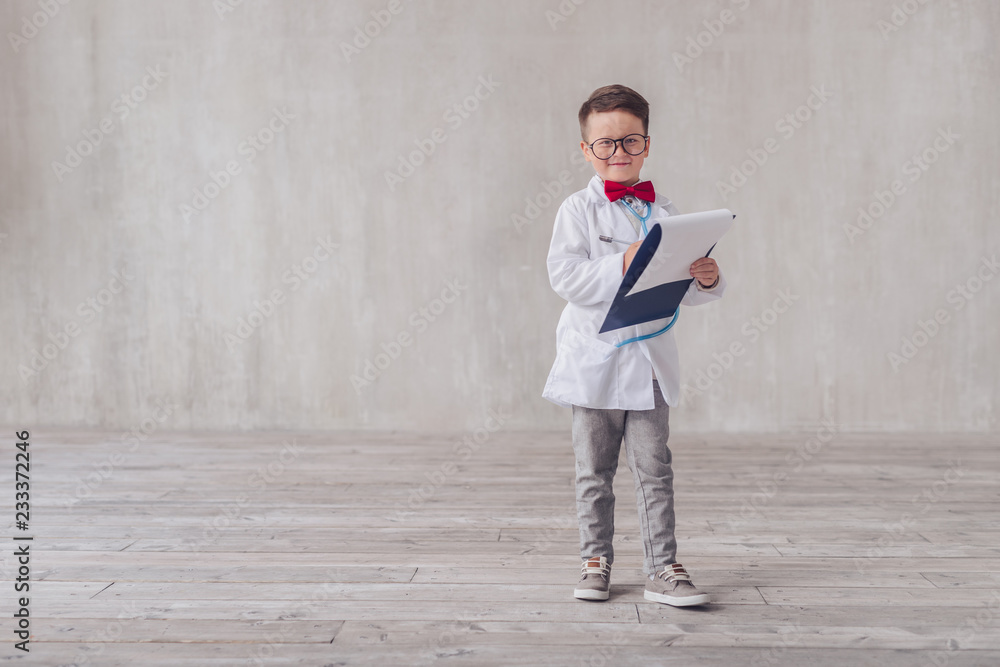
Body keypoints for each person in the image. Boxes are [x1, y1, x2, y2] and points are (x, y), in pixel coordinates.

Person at [542, 84, 726, 606]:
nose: (617, 153)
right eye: (605, 144)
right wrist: (620, 264)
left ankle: (663, 567)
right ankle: (594, 559)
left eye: (629, 142)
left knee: (655, 470)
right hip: (594, 364)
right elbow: (566, 278)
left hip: (649, 365)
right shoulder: (576, 211)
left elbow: (679, 288)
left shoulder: (667, 213)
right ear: (586, 150)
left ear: (647, 145)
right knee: (594, 471)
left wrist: (705, 280)